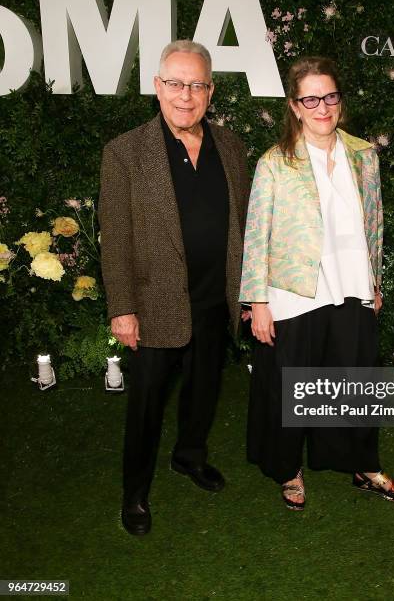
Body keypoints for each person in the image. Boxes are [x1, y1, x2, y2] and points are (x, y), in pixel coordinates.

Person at [239, 56, 394, 510]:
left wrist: (374, 281)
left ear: (339, 100)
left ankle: (362, 464)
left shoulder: (363, 155)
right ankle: (289, 469)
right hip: (293, 294)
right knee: (292, 388)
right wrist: (256, 301)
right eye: (310, 98)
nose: (322, 107)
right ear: (294, 106)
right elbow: (257, 233)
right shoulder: (275, 162)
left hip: (352, 287)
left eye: (329, 96)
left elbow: (374, 223)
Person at [99, 40, 249, 535]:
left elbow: (244, 225)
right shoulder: (125, 152)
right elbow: (116, 237)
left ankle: (188, 457)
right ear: (158, 87)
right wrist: (122, 308)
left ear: (210, 90)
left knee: (204, 391)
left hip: (214, 299)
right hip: (154, 304)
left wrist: (247, 294)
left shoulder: (231, 147)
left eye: (198, 85)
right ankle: (134, 494)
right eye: (177, 83)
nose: (187, 95)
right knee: (145, 407)